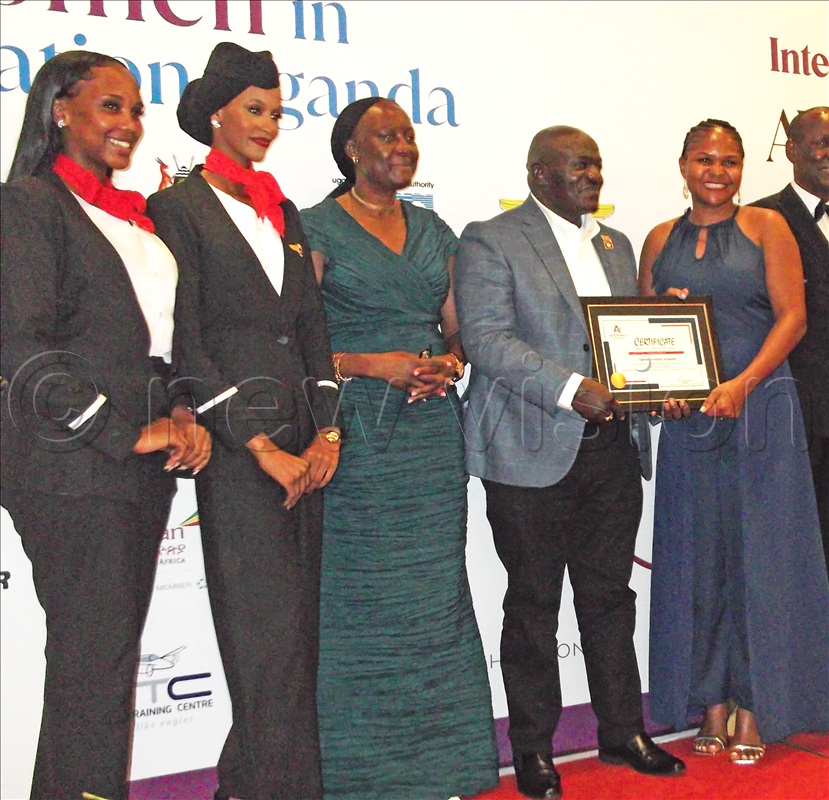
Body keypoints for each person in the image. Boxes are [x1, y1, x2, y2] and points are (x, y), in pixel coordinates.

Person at [0, 50, 211, 800]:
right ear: (60, 110)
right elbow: (18, 344)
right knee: (95, 664)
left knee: (100, 662)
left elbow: (157, 342)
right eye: (111, 106)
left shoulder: (132, 218)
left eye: (136, 109)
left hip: (135, 468)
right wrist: (120, 429)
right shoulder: (28, 204)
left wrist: (181, 413)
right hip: (71, 465)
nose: (130, 122)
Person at [454, 126, 685, 800]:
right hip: (528, 454)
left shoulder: (613, 244)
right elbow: (486, 340)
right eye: (578, 164)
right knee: (532, 606)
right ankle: (532, 749)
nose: (593, 175)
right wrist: (569, 389)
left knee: (610, 599)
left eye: (596, 163)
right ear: (537, 174)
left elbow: (620, 346)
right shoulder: (490, 240)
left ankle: (622, 731)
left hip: (611, 451)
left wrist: (657, 367)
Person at [146, 43, 341, 800]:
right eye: (255, 109)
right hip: (240, 456)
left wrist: (326, 431)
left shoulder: (282, 208)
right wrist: (258, 446)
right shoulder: (177, 209)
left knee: (295, 643)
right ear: (216, 113)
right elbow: (184, 338)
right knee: (261, 641)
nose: (268, 123)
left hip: (307, 449)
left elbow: (311, 328)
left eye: (276, 110)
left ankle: (246, 787)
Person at [299, 97, 498, 800]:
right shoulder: (316, 227)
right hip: (357, 435)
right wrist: (370, 363)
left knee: (433, 594)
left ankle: (446, 766)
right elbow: (297, 338)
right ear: (350, 150)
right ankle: (359, 775)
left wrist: (445, 363)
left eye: (407, 135)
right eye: (385, 135)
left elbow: (458, 330)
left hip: (427, 432)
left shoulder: (432, 229)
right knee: (362, 599)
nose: (401, 145)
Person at [639, 118, 829, 765]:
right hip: (690, 424)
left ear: (742, 167)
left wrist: (743, 384)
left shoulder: (767, 229)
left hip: (761, 412)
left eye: (727, 160)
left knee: (762, 564)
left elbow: (793, 317)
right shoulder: (658, 238)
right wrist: (660, 387)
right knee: (699, 563)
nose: (714, 171)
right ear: (683, 164)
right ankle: (710, 703)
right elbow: (644, 334)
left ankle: (755, 706)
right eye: (702, 159)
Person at [751, 106, 829, 577]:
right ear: (791, 150)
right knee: (806, 556)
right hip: (797, 417)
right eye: (820, 143)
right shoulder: (759, 217)